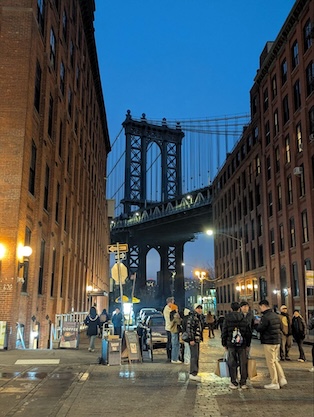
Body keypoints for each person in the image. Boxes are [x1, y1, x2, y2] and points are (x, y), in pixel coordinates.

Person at [256, 299, 287, 389]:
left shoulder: (265, 317)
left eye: (260, 307)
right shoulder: (276, 315)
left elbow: (260, 328)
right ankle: (282, 378)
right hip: (277, 341)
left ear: (263, 306)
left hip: (269, 342)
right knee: (275, 360)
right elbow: (281, 327)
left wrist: (256, 325)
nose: (260, 309)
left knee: (270, 362)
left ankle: (274, 382)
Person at [221, 301, 252, 390]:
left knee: (232, 363)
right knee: (243, 363)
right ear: (239, 309)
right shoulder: (243, 318)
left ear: (231, 309)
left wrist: (224, 343)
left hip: (231, 344)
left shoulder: (227, 318)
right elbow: (248, 332)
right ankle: (243, 382)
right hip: (242, 344)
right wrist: (248, 344)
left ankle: (233, 381)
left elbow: (224, 332)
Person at [186, 304, 203, 381]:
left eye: (200, 308)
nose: (199, 310)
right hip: (194, 340)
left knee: (196, 356)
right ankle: (193, 373)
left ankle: (194, 372)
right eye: (198, 308)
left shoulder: (198, 317)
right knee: (194, 356)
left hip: (196, 339)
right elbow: (189, 328)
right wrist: (191, 339)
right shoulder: (193, 317)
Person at [163, 296, 174, 362]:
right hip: (169, 328)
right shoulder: (167, 309)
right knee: (170, 342)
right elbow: (170, 319)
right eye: (172, 302)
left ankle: (171, 355)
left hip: (171, 327)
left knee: (171, 342)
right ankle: (169, 356)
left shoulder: (169, 308)